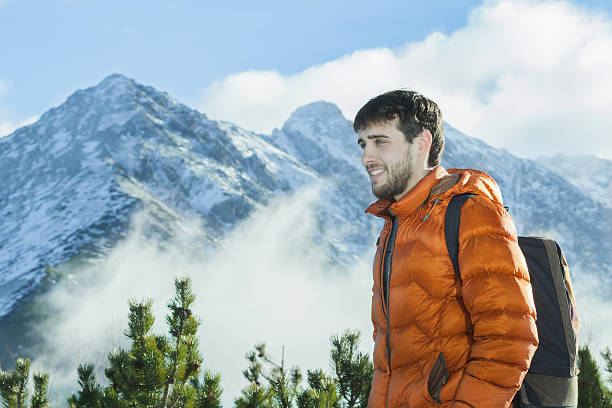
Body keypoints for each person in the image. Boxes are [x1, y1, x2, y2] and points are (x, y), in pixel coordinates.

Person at [354, 90, 538, 408]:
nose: (367, 156)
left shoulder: (471, 213)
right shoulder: (394, 227)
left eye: (380, 141)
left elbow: (509, 338)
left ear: (421, 143)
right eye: (363, 144)